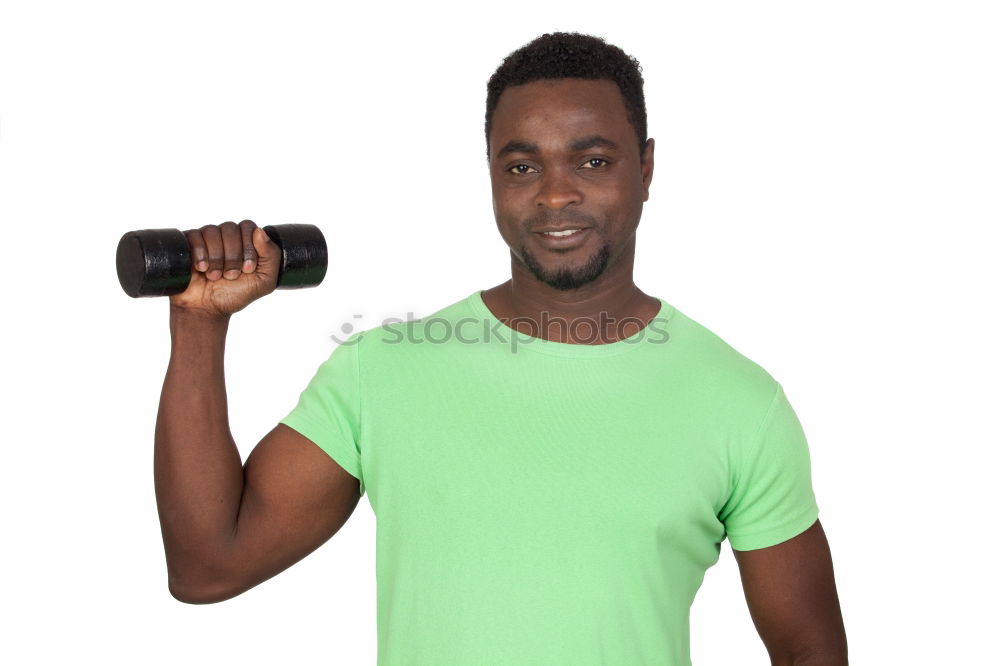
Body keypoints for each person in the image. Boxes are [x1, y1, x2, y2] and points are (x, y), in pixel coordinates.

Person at [155, 32, 848, 665]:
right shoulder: (384, 373)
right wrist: (198, 324)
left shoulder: (738, 404)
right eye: (522, 168)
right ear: (490, 174)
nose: (555, 195)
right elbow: (208, 567)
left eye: (593, 160)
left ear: (646, 168)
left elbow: (809, 650)